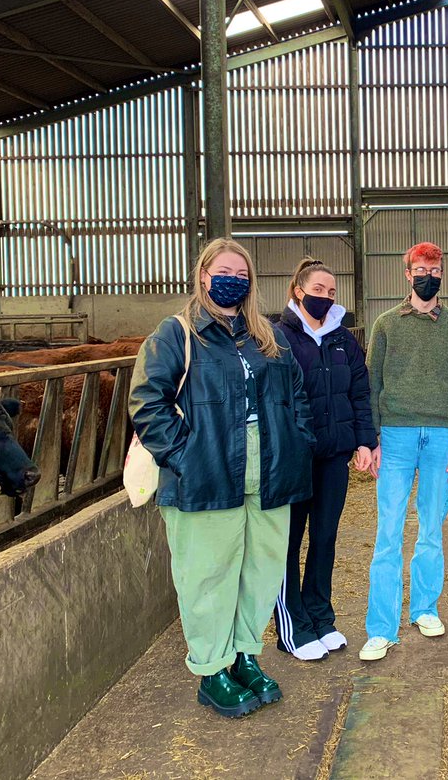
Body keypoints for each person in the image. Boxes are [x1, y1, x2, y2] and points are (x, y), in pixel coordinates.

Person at [129, 239, 315, 718]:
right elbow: (147, 402)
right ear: (204, 275)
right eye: (224, 269)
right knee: (208, 575)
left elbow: (298, 394)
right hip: (207, 476)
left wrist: (298, 440)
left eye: (242, 272)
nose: (234, 278)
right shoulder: (177, 334)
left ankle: (245, 656)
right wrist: (186, 456)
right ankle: (213, 670)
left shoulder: (267, 337)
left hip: (269, 473)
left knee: (260, 569)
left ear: (250, 283)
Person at [359, 241, 448, 662]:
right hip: (394, 435)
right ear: (407, 274)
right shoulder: (386, 324)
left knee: (431, 526)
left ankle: (425, 608)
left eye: (436, 268)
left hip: (442, 437)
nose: (429, 274)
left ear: (443, 273)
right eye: (421, 268)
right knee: (388, 531)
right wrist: (370, 438)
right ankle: (381, 627)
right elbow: (371, 385)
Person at [273, 258, 375, 662]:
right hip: (295, 458)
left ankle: (320, 616)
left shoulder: (343, 340)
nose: (326, 297)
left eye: (331, 292)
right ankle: (291, 626)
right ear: (298, 291)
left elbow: (360, 394)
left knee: (325, 538)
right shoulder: (278, 338)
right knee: (289, 541)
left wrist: (364, 441)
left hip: (334, 454)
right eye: (318, 290)